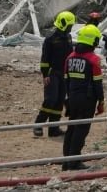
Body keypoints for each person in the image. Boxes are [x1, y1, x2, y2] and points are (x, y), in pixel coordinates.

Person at [62, 25, 105, 171]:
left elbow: (66, 80)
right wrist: (101, 101)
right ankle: (74, 162)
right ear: (93, 41)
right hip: (87, 100)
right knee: (81, 130)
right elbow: (97, 83)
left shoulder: (70, 58)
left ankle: (66, 161)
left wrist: (67, 99)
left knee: (71, 128)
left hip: (72, 97)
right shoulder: (94, 59)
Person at [34, 10, 76, 138]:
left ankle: (54, 129)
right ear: (63, 24)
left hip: (64, 74)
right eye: (69, 25)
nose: (71, 28)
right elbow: (44, 59)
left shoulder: (68, 38)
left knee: (59, 101)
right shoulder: (50, 39)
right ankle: (38, 125)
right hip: (52, 73)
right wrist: (45, 75)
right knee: (50, 100)